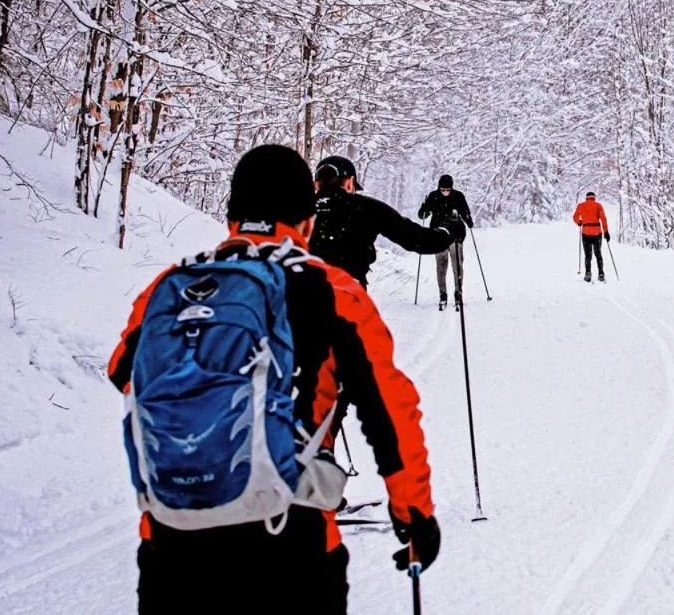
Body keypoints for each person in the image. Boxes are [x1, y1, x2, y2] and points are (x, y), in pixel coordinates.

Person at [107, 145, 441, 614]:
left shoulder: (173, 284)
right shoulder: (333, 290)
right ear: (307, 221)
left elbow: (122, 369)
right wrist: (413, 514)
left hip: (171, 540)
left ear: (231, 217)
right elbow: (389, 411)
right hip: (290, 540)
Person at [310, 155, 462, 289]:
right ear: (350, 182)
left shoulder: (293, 211)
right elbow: (417, 239)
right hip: (348, 299)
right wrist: (450, 231)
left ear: (316, 184)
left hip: (297, 300)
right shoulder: (367, 208)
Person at [418, 174, 474, 311]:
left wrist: (468, 219)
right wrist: (424, 207)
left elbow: (466, 211)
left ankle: (458, 293)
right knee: (441, 267)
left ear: (452, 188)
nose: (445, 192)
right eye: (443, 190)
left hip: (456, 236)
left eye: (448, 190)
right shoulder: (433, 196)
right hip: (438, 236)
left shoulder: (458, 196)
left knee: (457, 266)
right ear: (439, 188)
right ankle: (443, 294)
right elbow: (422, 215)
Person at [573, 191, 610, 282]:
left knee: (588, 255)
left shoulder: (581, 205)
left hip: (586, 233)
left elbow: (575, 216)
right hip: (597, 233)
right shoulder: (598, 205)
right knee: (598, 254)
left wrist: (579, 222)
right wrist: (606, 231)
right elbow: (603, 219)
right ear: (594, 198)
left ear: (586, 198)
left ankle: (588, 274)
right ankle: (601, 274)